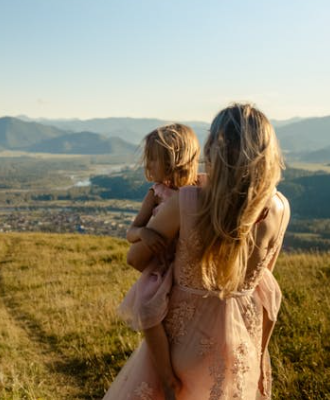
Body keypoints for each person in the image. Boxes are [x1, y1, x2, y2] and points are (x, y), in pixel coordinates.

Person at [103, 104, 290, 400]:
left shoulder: (187, 201)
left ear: (214, 150)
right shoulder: (280, 207)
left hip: (183, 345)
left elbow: (135, 259)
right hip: (244, 343)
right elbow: (264, 281)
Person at [118, 123, 200, 398]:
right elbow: (131, 232)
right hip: (162, 267)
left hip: (189, 267)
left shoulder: (198, 192)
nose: (147, 163)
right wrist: (144, 232)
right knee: (147, 306)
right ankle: (166, 375)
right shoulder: (155, 194)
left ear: (174, 160)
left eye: (153, 157)